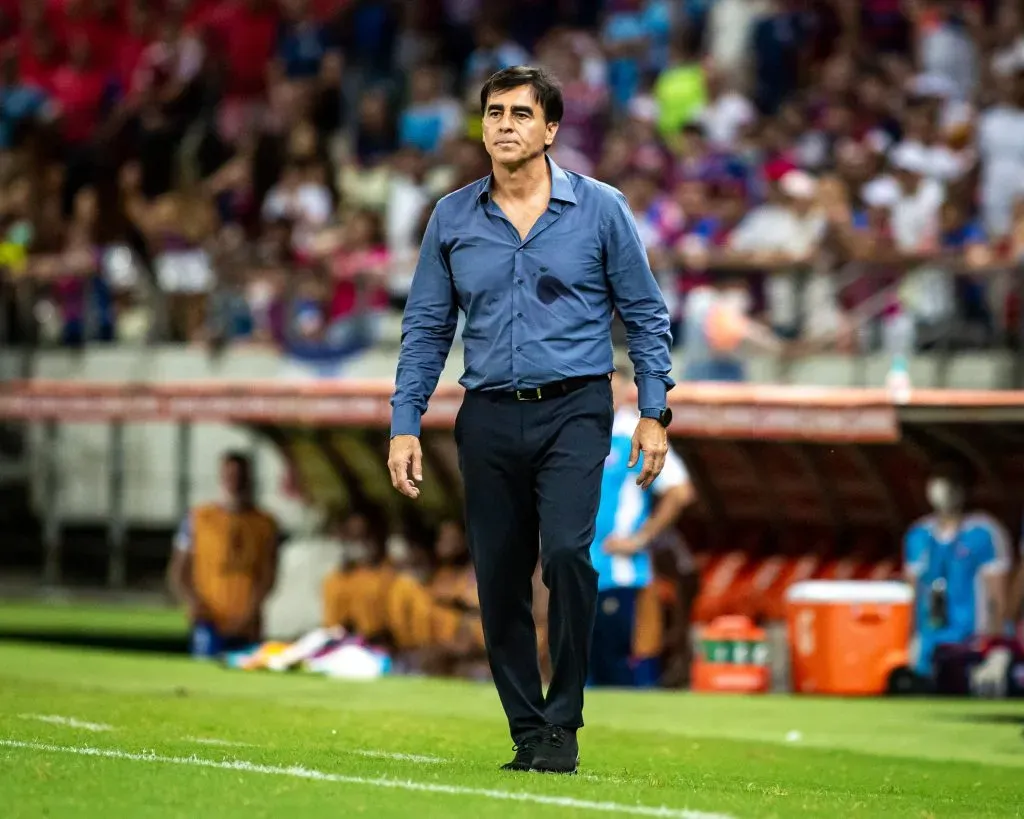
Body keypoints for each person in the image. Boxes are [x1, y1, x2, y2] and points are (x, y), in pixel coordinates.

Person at [387, 65, 674, 774]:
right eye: (493, 112)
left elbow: (645, 314)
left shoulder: (602, 209)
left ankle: (565, 715)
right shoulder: (451, 217)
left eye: (520, 113)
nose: (504, 124)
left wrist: (656, 409)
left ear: (551, 129)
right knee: (498, 579)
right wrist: (404, 421)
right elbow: (426, 327)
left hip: (577, 407)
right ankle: (528, 728)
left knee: (570, 555)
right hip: (485, 414)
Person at [588, 363, 694, 688]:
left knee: (618, 670)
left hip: (618, 573)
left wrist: (639, 538)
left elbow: (680, 491)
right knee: (582, 669)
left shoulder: (634, 433)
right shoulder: (579, 433)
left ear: (623, 391)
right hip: (577, 568)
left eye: (612, 385)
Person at [903, 462, 1010, 682]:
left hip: (971, 644)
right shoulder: (918, 534)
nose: (943, 489)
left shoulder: (984, 531)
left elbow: (997, 597)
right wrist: (909, 639)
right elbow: (910, 594)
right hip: (929, 644)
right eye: (938, 479)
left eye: (951, 480)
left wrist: (996, 644)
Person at [167, 451, 279, 656]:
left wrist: (252, 610)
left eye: (240, 475)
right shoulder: (199, 518)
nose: (235, 481)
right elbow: (178, 569)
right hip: (209, 618)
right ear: (221, 477)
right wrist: (192, 602)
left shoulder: (265, 523)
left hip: (248, 622)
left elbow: (269, 574)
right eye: (230, 475)